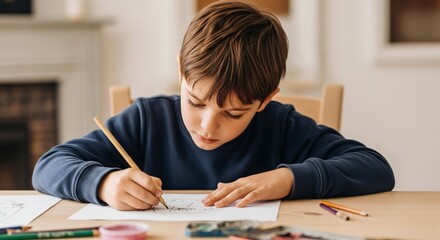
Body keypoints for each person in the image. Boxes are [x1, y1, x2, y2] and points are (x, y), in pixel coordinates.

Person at [32, 1, 394, 211]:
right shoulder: (147, 120)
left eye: (233, 114)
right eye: (195, 102)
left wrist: (287, 178)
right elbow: (48, 167)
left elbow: (376, 168)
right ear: (180, 71)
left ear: (266, 99)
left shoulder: (281, 125)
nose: (207, 126)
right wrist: (104, 184)